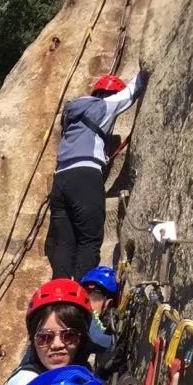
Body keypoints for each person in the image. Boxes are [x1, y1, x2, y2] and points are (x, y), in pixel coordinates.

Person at [46, 69, 147, 280]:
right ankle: (83, 299)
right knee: (89, 241)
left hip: (60, 180)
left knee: (65, 244)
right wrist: (145, 65)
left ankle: (60, 301)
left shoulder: (72, 113)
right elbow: (130, 93)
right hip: (85, 176)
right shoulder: (103, 106)